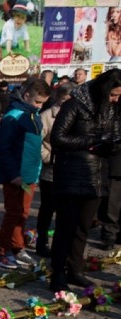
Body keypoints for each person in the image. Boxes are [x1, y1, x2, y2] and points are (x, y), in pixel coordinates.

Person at [49, 69, 121, 291]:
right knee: (65, 227)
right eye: (113, 95)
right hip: (71, 174)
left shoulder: (112, 110)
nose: (115, 99)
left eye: (118, 96)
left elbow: (114, 136)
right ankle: (57, 273)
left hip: (96, 176)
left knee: (83, 228)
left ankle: (75, 270)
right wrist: (91, 140)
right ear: (103, 90)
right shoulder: (75, 104)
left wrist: (112, 143)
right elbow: (58, 137)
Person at [0, 77, 51, 270]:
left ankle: (18, 248)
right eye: (37, 102)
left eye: (43, 103)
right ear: (27, 95)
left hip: (30, 175)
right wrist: (12, 174)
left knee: (23, 213)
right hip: (16, 176)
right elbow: (3, 147)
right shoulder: (14, 116)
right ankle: (3, 252)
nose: (39, 106)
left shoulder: (33, 115)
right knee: (13, 212)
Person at [36, 82, 75, 258]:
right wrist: (47, 158)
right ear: (58, 97)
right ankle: (41, 241)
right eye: (64, 99)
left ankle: (62, 244)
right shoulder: (46, 115)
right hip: (50, 170)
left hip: (70, 170)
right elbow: (37, 141)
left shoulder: (77, 114)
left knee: (65, 211)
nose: (66, 102)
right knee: (47, 209)